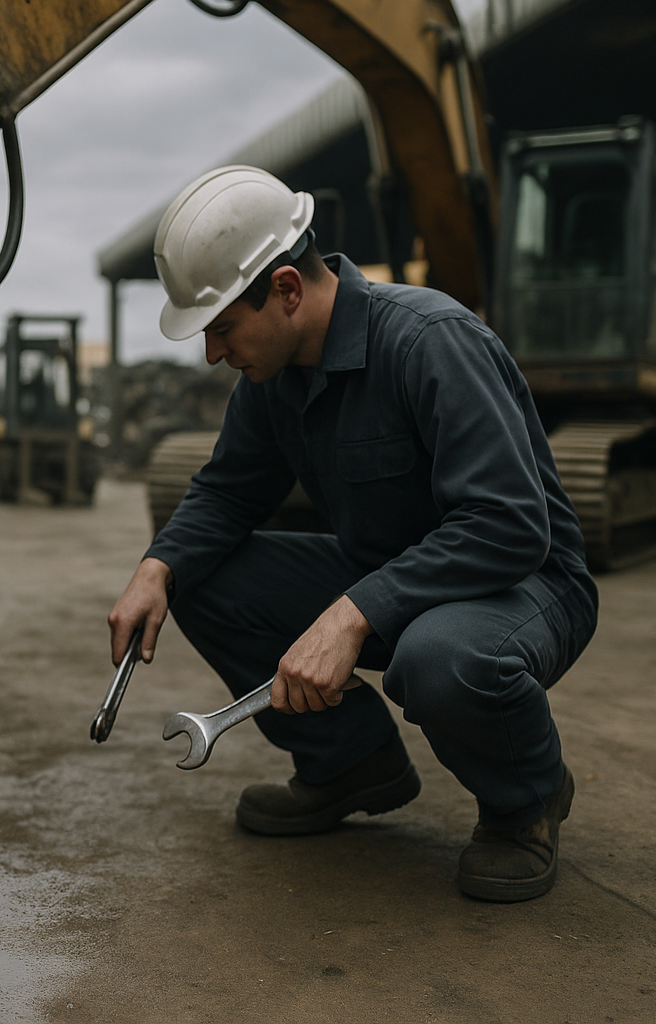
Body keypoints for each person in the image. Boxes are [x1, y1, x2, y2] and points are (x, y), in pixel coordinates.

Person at [108, 166, 598, 902]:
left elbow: (509, 525)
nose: (213, 352)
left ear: (286, 291)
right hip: (394, 579)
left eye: (221, 328)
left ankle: (525, 801)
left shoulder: (431, 342)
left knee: (439, 657)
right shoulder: (272, 379)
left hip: (525, 585)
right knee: (198, 573)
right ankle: (351, 764)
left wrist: (353, 613)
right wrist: (157, 567)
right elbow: (229, 490)